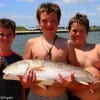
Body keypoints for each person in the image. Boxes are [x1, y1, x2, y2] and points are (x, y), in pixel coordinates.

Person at [19, 2, 80, 100]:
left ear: (59, 22)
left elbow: (77, 70)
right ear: (39, 22)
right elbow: (23, 75)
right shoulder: (31, 43)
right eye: (44, 20)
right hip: (35, 95)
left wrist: (71, 83)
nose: (49, 24)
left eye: (53, 20)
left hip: (60, 96)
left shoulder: (67, 44)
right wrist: (25, 83)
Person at [68, 12, 100, 100]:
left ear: (87, 32)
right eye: (74, 31)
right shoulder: (67, 53)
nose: (78, 34)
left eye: (82, 31)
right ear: (69, 32)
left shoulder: (97, 48)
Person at [0, 18, 25, 100]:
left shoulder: (19, 59)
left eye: (8, 35)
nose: (5, 38)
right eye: (1, 34)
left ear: (14, 35)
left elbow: (22, 87)